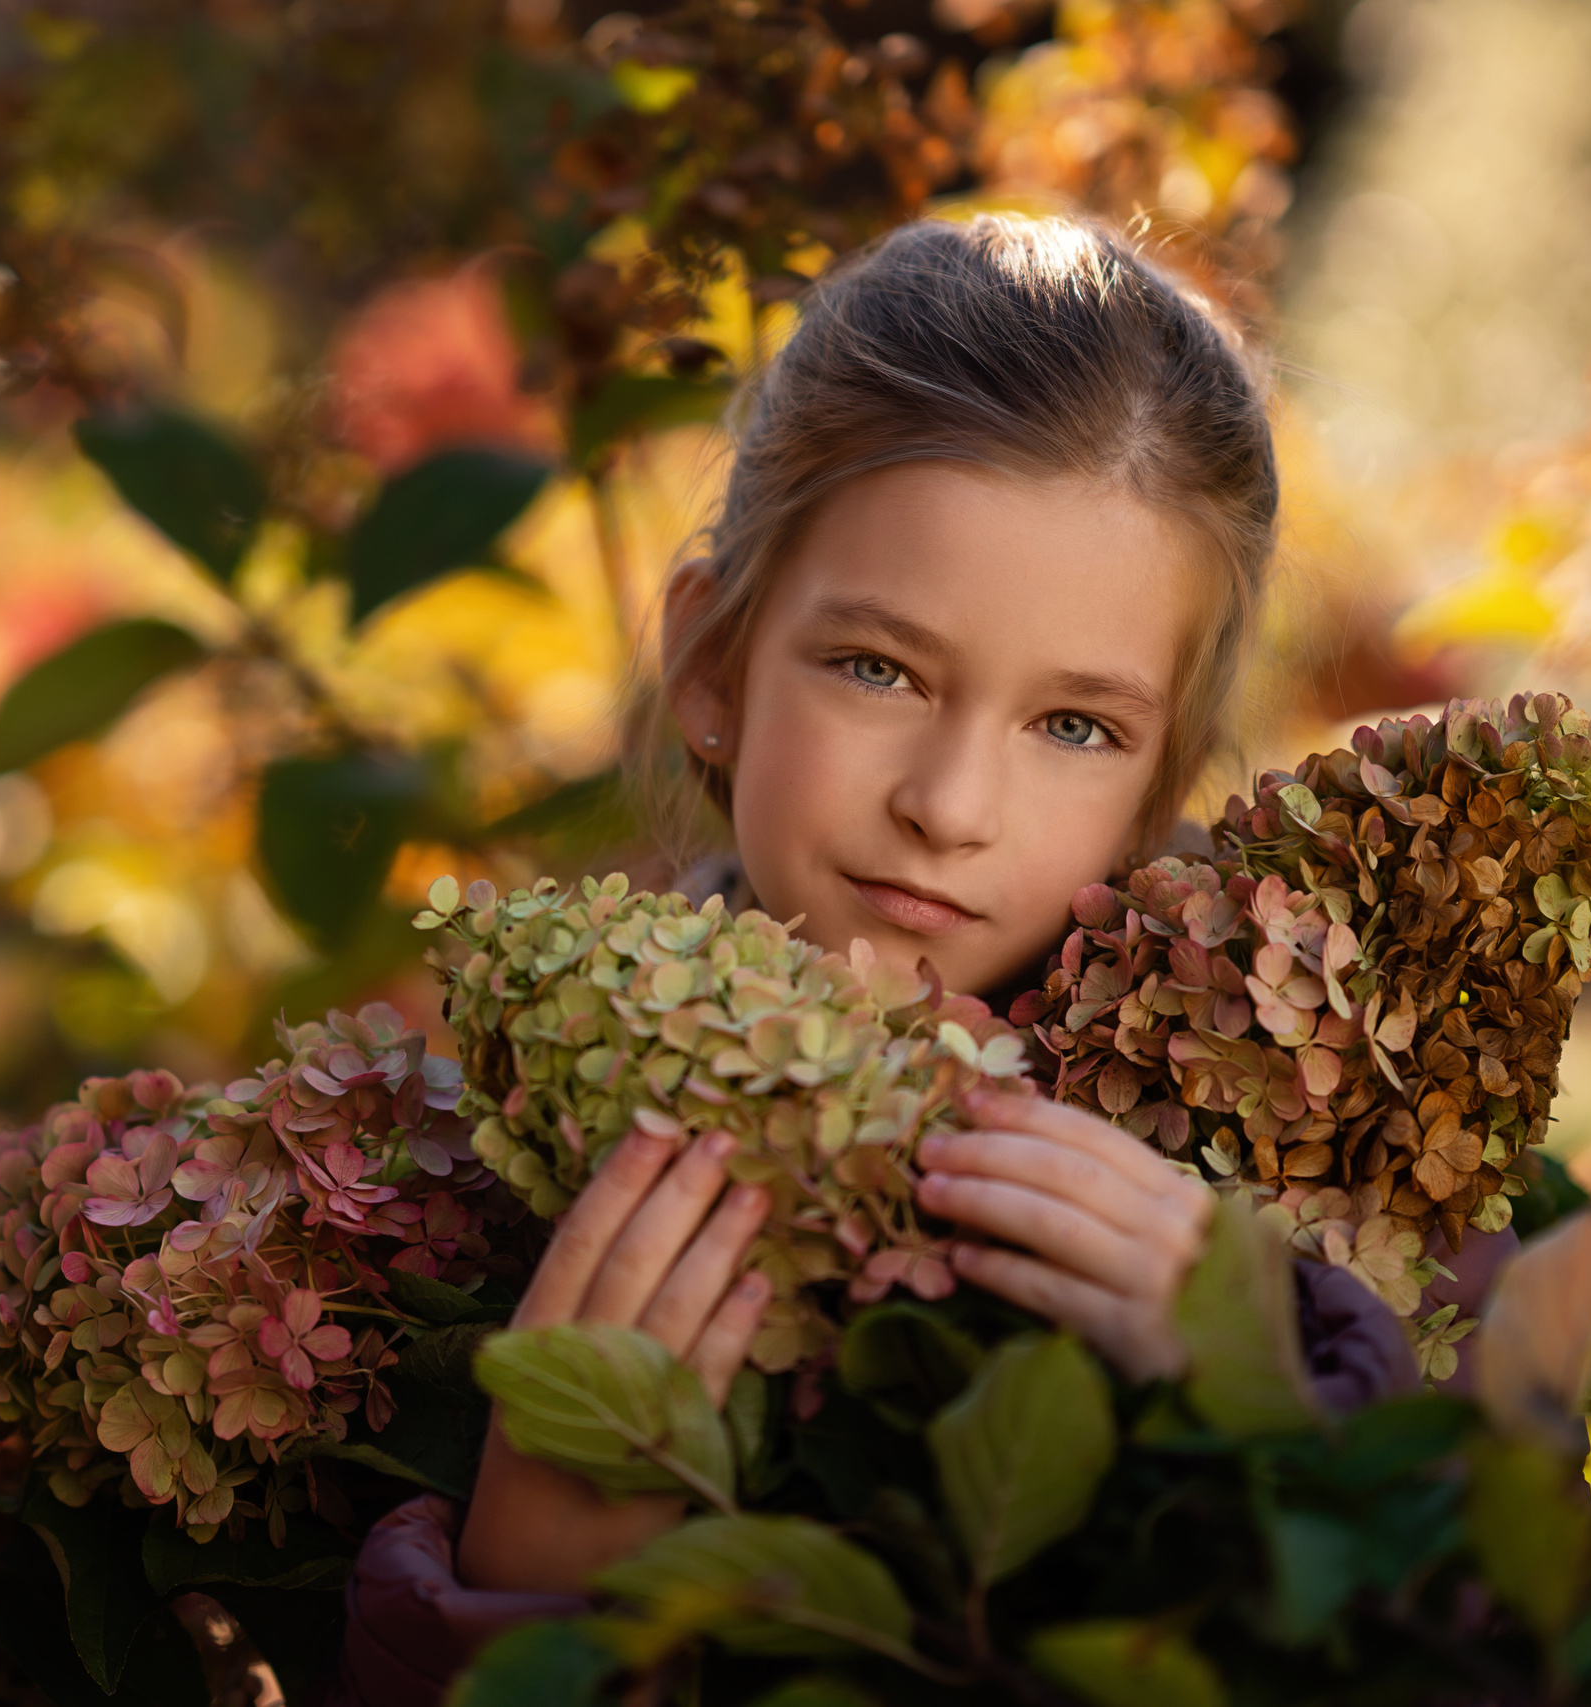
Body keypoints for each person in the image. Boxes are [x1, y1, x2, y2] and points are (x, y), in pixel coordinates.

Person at [329, 213, 1455, 1704]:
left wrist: (1290, 1401)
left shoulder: (1341, 1197)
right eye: (880, 669)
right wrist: (522, 1585)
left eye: (1075, 727)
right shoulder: (446, 1220)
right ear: (713, 665)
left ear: (1162, 783)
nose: (949, 807)